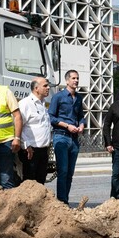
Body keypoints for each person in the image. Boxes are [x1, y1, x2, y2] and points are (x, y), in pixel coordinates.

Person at [48, 69, 85, 204]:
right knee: (62, 171)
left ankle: (65, 200)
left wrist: (81, 125)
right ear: (67, 80)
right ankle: (61, 202)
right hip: (61, 136)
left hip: (74, 139)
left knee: (70, 173)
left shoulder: (79, 98)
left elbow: (81, 116)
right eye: (73, 78)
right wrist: (66, 125)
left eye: (77, 78)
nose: (76, 81)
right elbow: (51, 117)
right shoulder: (58, 97)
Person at [18, 77, 52, 184]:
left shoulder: (43, 104)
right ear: (36, 88)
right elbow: (18, 126)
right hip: (30, 151)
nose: (48, 88)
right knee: (29, 183)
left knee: (40, 182)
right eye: (45, 86)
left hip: (43, 150)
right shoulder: (25, 103)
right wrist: (26, 145)